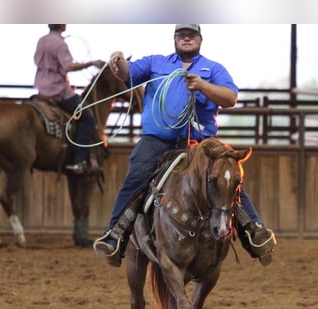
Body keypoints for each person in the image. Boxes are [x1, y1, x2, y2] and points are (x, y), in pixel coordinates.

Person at [92, 24, 276, 266]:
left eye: (191, 35)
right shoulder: (155, 63)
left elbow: (230, 98)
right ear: (175, 39)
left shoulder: (214, 69)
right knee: (136, 177)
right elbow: (127, 73)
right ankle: (115, 235)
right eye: (182, 35)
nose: (186, 38)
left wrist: (202, 86)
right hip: (157, 139)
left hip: (201, 143)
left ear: (200, 39)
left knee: (226, 177)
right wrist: (118, 59)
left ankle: (254, 231)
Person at [34, 24, 104, 173]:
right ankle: (79, 161)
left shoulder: (42, 40)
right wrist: (90, 63)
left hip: (41, 88)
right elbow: (68, 66)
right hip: (57, 90)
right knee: (87, 117)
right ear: (61, 25)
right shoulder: (60, 43)